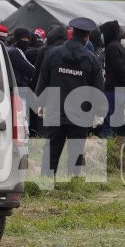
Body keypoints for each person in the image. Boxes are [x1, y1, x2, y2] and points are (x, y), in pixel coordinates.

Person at [34, 16, 104, 177]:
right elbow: (97, 89)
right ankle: (72, 184)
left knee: (51, 149)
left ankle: (46, 182)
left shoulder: (52, 54)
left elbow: (43, 80)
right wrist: (98, 113)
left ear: (71, 33)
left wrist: (41, 103)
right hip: (80, 114)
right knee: (76, 151)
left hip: (55, 110)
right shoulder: (91, 59)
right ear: (86, 36)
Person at [98, 20, 125, 135]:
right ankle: (119, 145)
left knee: (109, 121)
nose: (101, 36)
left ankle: (106, 147)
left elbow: (119, 69)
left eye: (102, 33)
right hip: (120, 90)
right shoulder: (119, 47)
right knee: (117, 121)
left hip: (113, 90)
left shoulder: (112, 48)